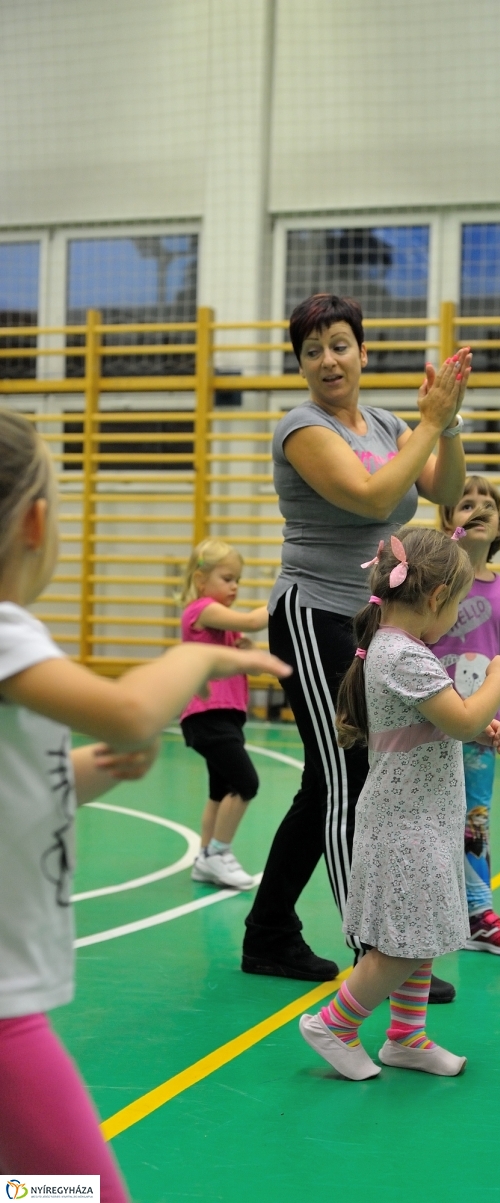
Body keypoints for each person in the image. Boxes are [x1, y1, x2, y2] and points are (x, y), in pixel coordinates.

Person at [0, 410, 287, 1191]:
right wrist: (196, 654)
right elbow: (130, 709)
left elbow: (23, 787)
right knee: (85, 1190)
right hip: (3, 1019)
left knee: (29, 1188)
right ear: (35, 521)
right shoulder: (8, 632)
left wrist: (92, 768)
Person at [242, 294, 469, 1004]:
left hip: (367, 622)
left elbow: (448, 492)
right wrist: (428, 425)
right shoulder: (301, 428)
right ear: (302, 365)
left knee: (326, 782)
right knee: (348, 777)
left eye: (339, 344)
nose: (327, 360)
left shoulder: (386, 423)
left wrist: (447, 421)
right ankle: (379, 949)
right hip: (312, 615)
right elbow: (374, 499)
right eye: (312, 351)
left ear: (362, 353)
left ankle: (269, 929)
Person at [298, 527, 500, 1080]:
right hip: (406, 822)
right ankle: (335, 1023)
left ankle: (406, 1036)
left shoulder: (400, 650)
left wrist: (479, 726)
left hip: (423, 816)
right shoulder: (404, 655)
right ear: (434, 599)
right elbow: (462, 715)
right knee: (402, 943)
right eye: (457, 605)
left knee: (419, 931)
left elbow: (444, 721)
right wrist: (498, 677)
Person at [433, 475, 500, 954]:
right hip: (429, 723)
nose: (474, 510)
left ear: (499, 528)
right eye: (463, 503)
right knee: (428, 819)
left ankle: (478, 913)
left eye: (486, 506)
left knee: (475, 816)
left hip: (481, 728)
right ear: (447, 520)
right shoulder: (431, 584)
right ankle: (436, 910)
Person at [179, 538, 272, 890]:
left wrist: (249, 652)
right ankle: (219, 853)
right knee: (246, 783)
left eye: (238, 580)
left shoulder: (225, 628)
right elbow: (251, 620)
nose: (234, 586)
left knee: (220, 790)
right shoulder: (201, 610)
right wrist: (284, 596)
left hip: (226, 717)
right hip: (207, 714)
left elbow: (248, 650)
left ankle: (205, 858)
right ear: (201, 581)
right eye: (227, 578)